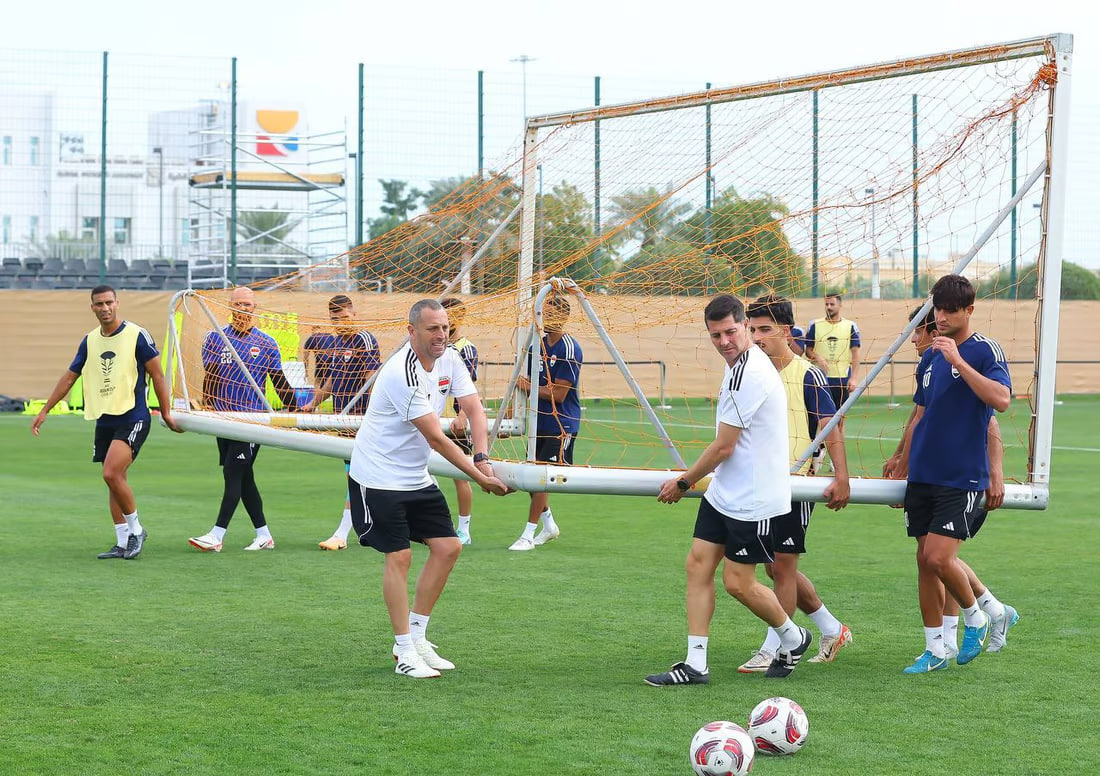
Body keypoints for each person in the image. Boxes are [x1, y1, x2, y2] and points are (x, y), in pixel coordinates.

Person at [644, 294, 812, 686]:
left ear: (746, 329)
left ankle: (793, 636)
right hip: (725, 491)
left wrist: (683, 482)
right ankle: (695, 664)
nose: (724, 341)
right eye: (716, 334)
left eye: (731, 332)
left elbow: (724, 446)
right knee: (697, 565)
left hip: (752, 498)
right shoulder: (738, 366)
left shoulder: (749, 373)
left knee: (739, 583)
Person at [348, 299, 508, 679]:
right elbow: (437, 438)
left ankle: (418, 637)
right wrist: (479, 477)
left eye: (445, 327)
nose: (441, 335)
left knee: (448, 546)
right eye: (433, 328)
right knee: (399, 556)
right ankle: (403, 649)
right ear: (412, 331)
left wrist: (482, 456)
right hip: (379, 477)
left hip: (415, 475)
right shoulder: (401, 372)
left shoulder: (450, 358)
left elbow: (473, 407)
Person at [890, 274, 1012, 673]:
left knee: (940, 557)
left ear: (969, 311)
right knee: (924, 563)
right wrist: (902, 462)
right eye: (937, 309)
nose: (940, 317)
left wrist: (957, 360)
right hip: (923, 475)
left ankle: (978, 617)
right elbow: (920, 415)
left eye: (949, 310)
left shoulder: (982, 350)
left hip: (961, 477)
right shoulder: (928, 357)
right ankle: (935, 650)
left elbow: (1001, 401)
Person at [738, 294, 853, 672]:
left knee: (783, 564)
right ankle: (831, 628)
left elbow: (829, 425)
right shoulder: (748, 372)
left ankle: (777, 648)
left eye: (765, 329)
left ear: (787, 332)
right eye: (752, 329)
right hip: (756, 482)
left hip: (794, 483)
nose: (757, 337)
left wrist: (841, 476)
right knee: (773, 567)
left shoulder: (808, 373)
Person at [32, 285, 181, 559]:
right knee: (115, 480)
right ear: (92, 308)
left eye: (109, 303)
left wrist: (167, 412)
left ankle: (137, 531)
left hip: (134, 416)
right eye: (99, 304)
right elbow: (70, 376)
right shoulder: (89, 340)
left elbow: (158, 375)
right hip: (105, 418)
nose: (105, 308)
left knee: (111, 473)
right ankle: (122, 542)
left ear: (117, 303)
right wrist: (46, 409)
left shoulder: (137, 334)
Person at [189, 286, 298, 553]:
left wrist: (296, 408)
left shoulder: (267, 343)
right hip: (223, 419)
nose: (243, 308)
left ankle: (217, 535)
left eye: (247, 304)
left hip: (252, 421)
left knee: (233, 473)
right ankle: (264, 535)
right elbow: (211, 376)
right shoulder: (215, 339)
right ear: (230, 307)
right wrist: (207, 405)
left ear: (254, 309)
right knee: (244, 476)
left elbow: (278, 381)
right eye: (238, 303)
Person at [299, 294, 382, 551]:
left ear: (354, 315)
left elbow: (372, 380)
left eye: (345, 317)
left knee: (356, 475)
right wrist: (313, 403)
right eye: (336, 319)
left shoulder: (365, 340)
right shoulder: (334, 344)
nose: (341, 323)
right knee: (363, 475)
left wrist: (372, 416)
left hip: (363, 421)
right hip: (343, 420)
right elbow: (333, 382)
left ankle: (342, 533)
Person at [509, 295, 582, 551]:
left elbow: (559, 394)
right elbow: (525, 382)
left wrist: (531, 387)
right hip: (537, 423)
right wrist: (512, 411)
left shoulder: (569, 348)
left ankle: (528, 535)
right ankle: (549, 526)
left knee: (540, 478)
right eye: (541, 314)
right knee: (532, 480)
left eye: (548, 314)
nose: (542, 319)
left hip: (561, 424)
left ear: (562, 317)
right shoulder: (536, 346)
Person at [441, 297, 480, 546]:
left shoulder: (466, 348)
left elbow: (470, 387)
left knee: (460, 474)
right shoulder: (434, 344)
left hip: (454, 421)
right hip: (432, 418)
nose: (448, 320)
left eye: (452, 315)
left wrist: (463, 415)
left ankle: (464, 529)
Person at [803, 293, 861, 428]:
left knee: (839, 420)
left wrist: (854, 378)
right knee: (814, 418)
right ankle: (816, 448)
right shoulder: (815, 325)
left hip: (840, 380)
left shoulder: (850, 326)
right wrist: (818, 357)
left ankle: (836, 447)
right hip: (818, 379)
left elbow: (856, 354)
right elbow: (808, 350)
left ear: (840, 305)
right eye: (826, 304)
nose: (828, 307)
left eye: (832, 304)